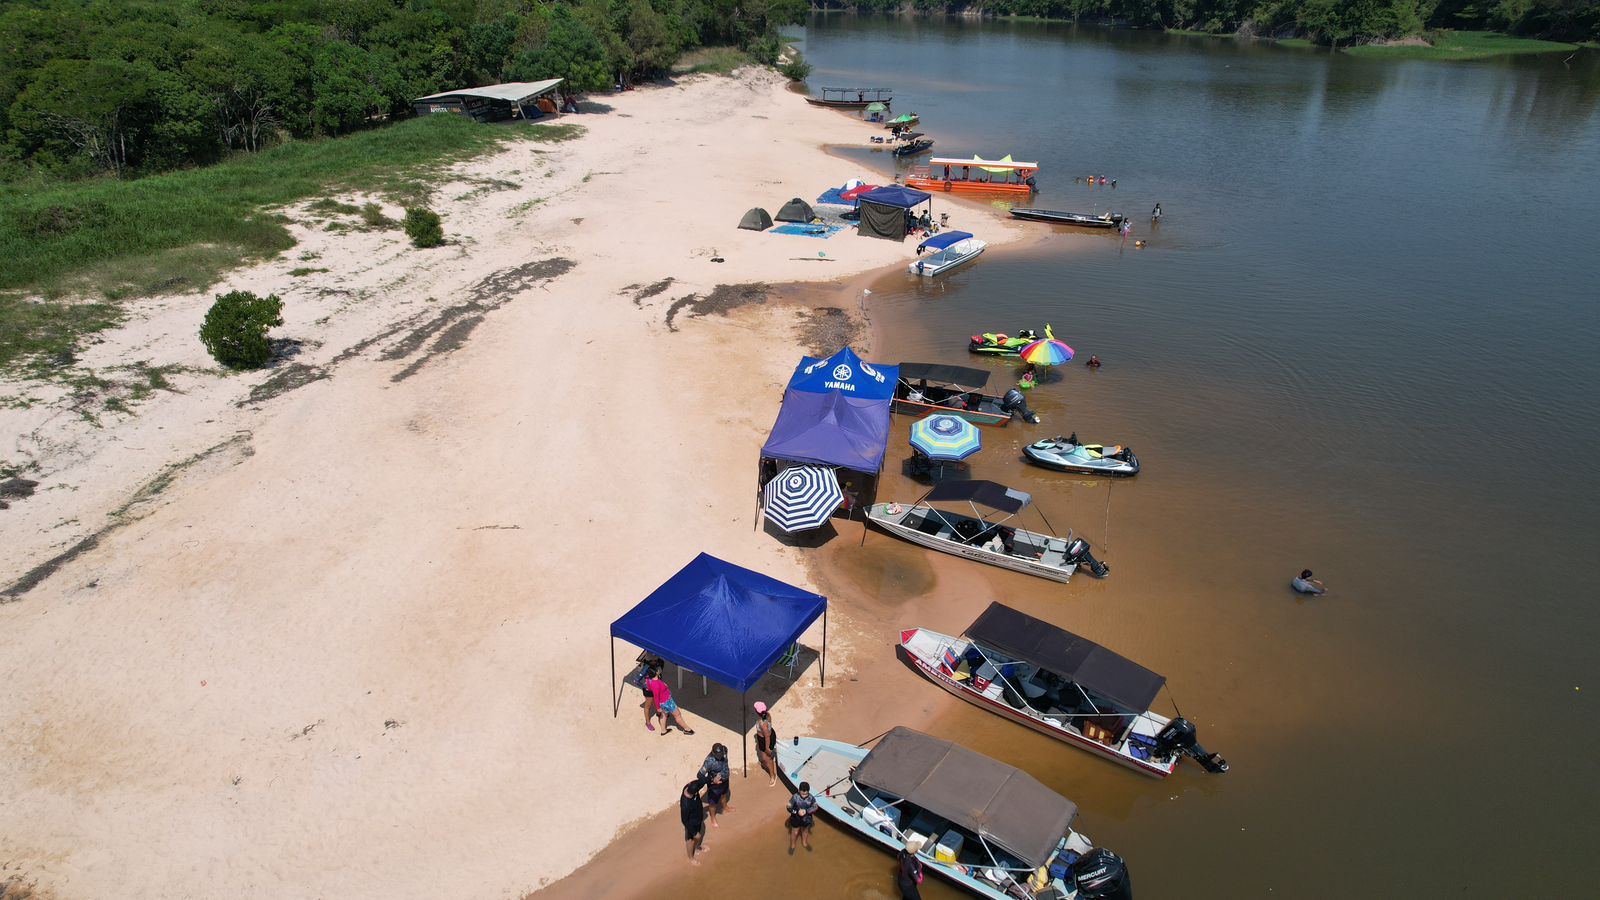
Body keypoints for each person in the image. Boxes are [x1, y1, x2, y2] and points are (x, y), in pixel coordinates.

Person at [680, 780, 708, 864]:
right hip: (691, 823)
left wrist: (713, 779)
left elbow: (701, 781)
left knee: (698, 836)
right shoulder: (685, 805)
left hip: (698, 818)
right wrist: (694, 832)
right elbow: (684, 820)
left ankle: (697, 848)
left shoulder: (689, 786)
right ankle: (691, 858)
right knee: (690, 840)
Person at [699, 743, 732, 813]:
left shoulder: (725, 750)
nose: (720, 757)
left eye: (721, 754)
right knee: (712, 801)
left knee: (724, 793)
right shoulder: (709, 761)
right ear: (713, 753)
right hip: (715, 783)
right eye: (717, 755)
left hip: (725, 779)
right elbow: (699, 775)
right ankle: (713, 817)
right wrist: (712, 780)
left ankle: (725, 807)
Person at [787, 782, 819, 853]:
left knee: (805, 831)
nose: (804, 796)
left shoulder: (811, 798)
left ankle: (805, 843)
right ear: (799, 790)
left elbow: (815, 807)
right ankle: (792, 845)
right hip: (796, 818)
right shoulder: (795, 797)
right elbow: (788, 807)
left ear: (808, 791)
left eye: (806, 794)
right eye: (802, 794)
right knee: (795, 832)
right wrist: (796, 812)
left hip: (806, 818)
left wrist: (806, 811)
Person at [753, 701, 778, 786]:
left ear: (757, 712)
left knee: (767, 758)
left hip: (766, 740)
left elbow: (767, 736)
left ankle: (773, 775)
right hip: (764, 738)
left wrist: (767, 748)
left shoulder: (762, 724)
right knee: (764, 758)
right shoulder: (768, 715)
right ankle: (766, 762)